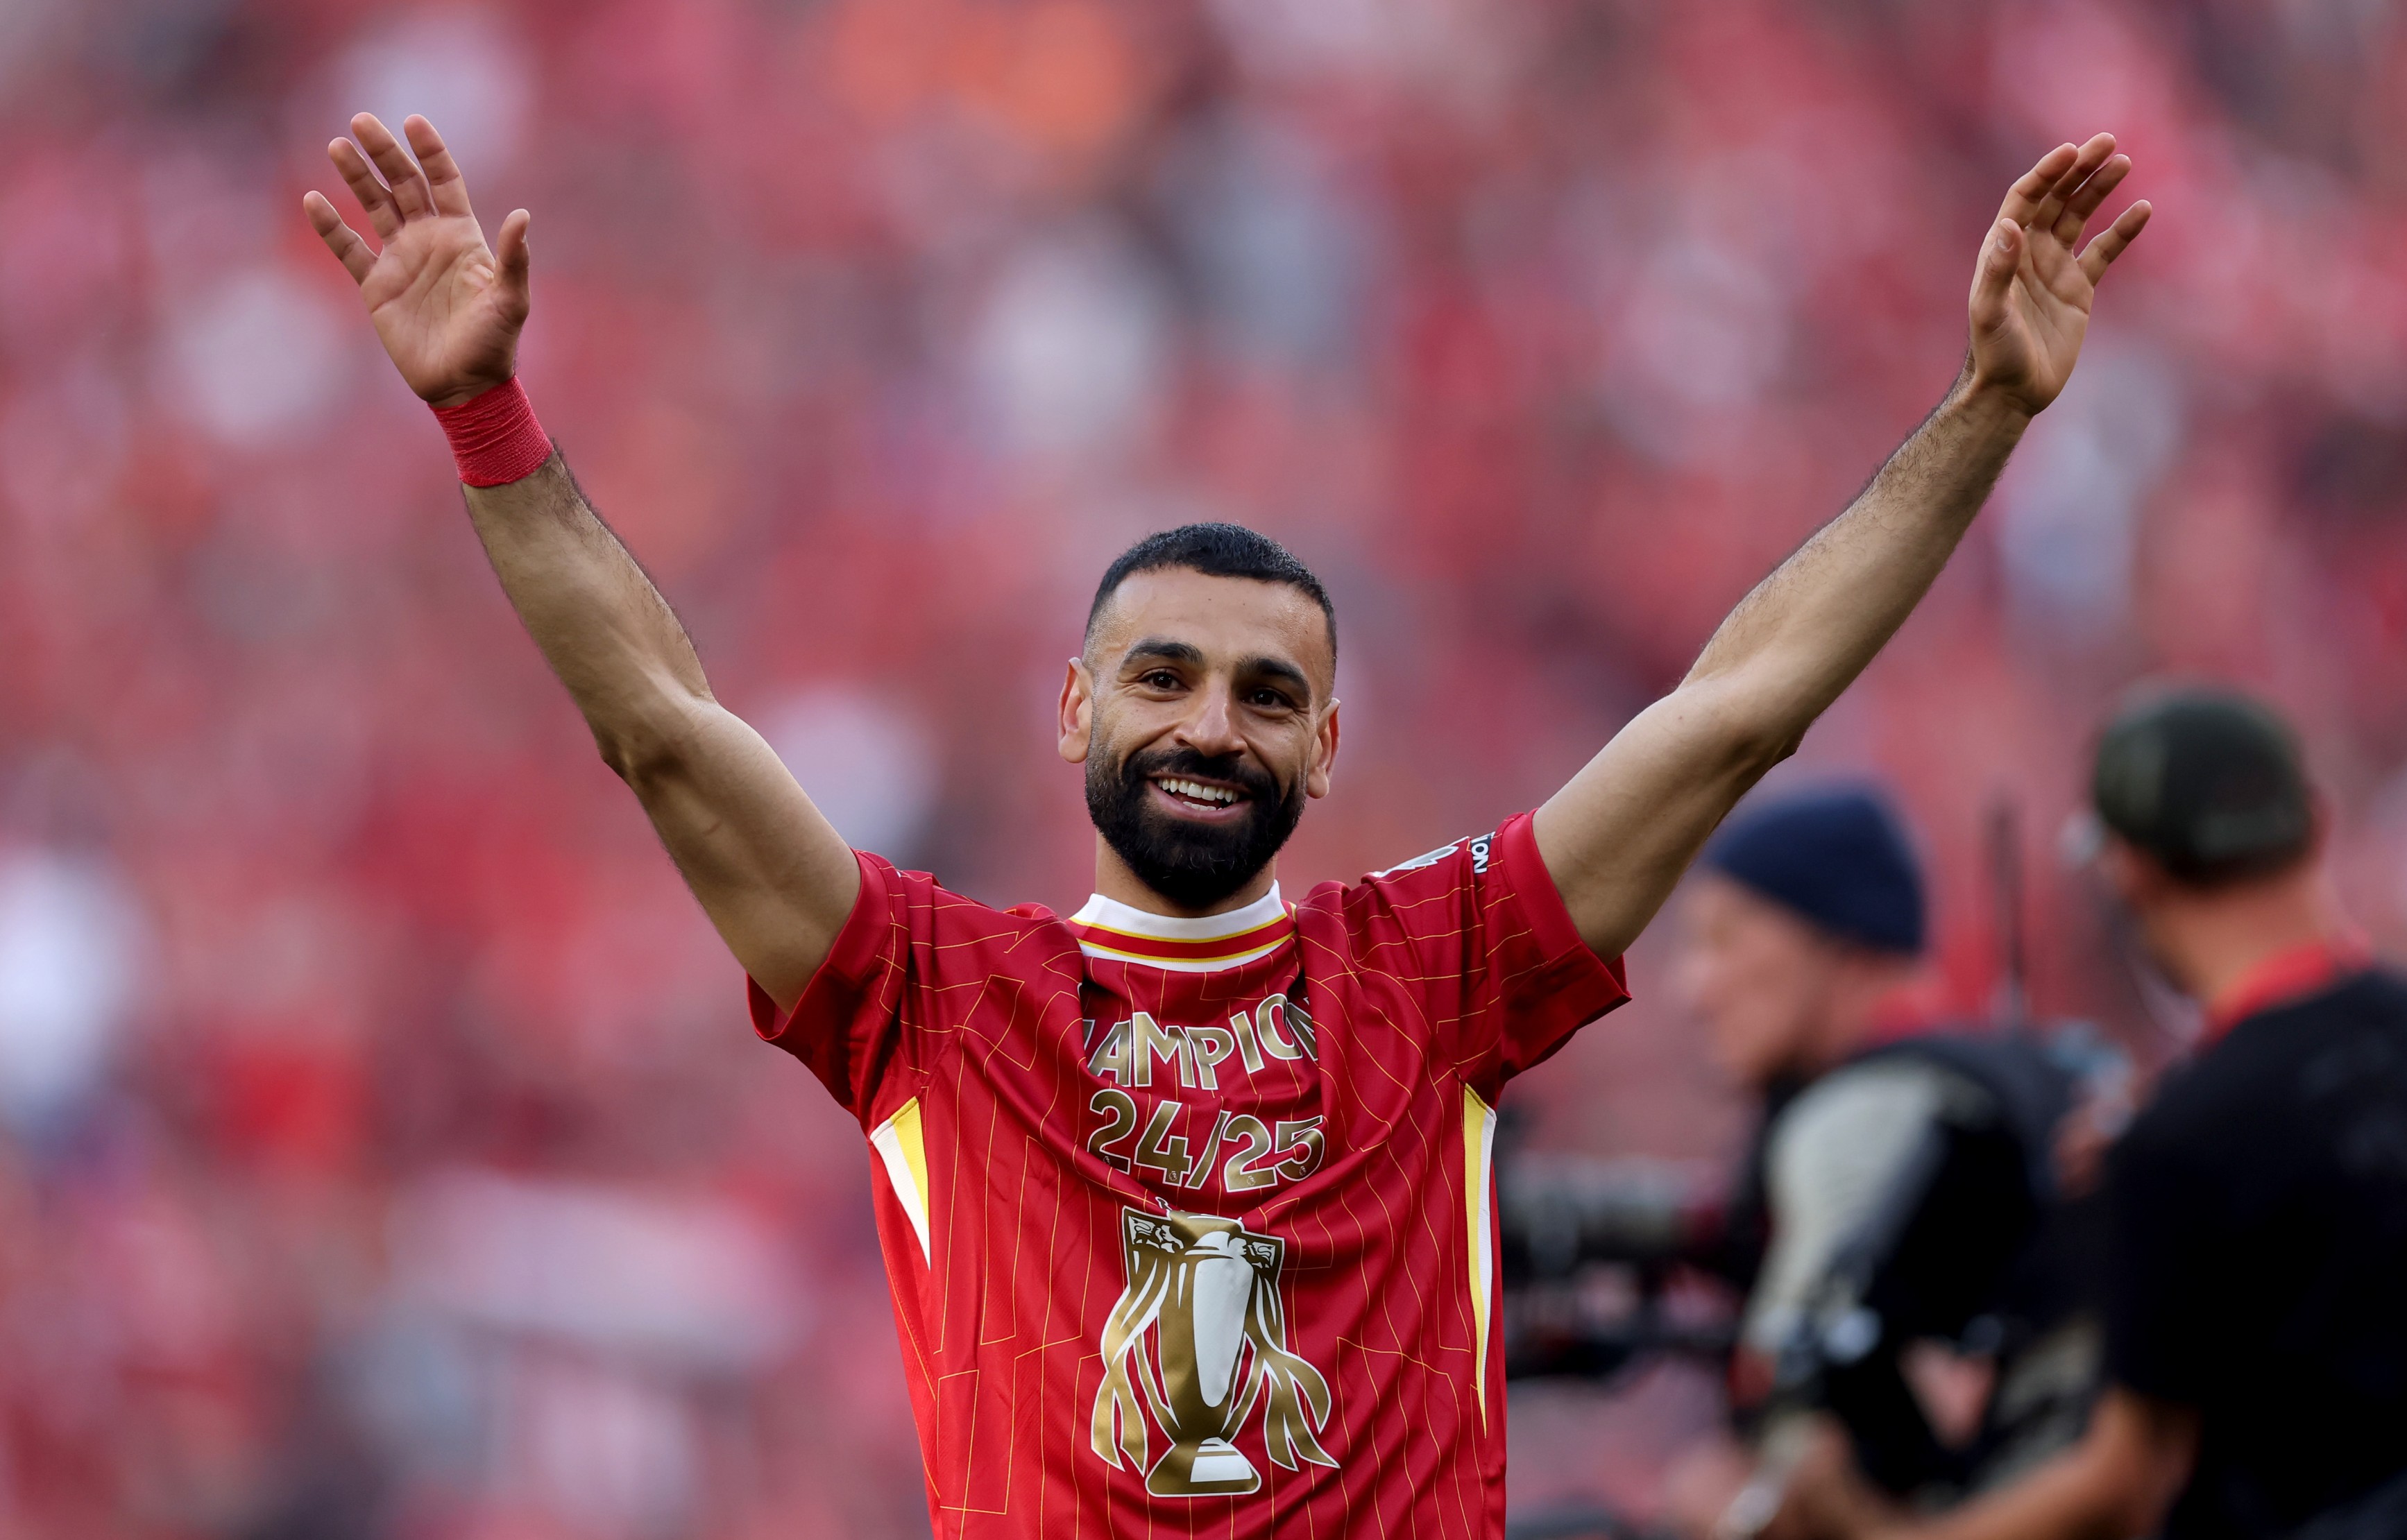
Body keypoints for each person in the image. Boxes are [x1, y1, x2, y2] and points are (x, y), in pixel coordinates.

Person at [300, 109, 2149, 1538]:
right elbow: (664, 732)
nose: (1208, 723)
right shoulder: (938, 999)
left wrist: (1984, 408)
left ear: (1326, 745)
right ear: (1072, 710)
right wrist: (483, 411)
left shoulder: (1440, 969)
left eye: (1265, 694)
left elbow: (1735, 709)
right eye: (1162, 675)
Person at [1788, 687, 2407, 1540]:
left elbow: (2124, 1483)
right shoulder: (2188, 1123)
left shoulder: (2180, 1141)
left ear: (2128, 869)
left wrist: (1879, 1533)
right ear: (2315, 824)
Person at [1665, 788, 2095, 1537]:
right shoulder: (2036, 1077)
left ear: (1835, 938)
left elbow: (1786, 1384)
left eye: (1725, 938)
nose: (1692, 987)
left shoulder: (1853, 1115)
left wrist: (1735, 1510)